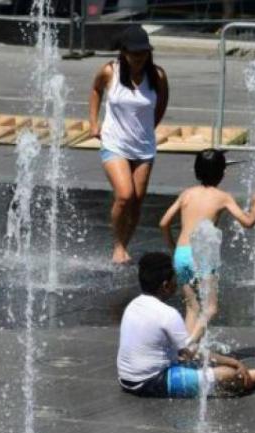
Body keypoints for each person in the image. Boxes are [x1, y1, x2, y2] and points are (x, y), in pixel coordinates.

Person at [117, 252, 255, 398]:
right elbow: (193, 354)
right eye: (174, 279)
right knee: (229, 376)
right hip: (151, 382)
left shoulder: (133, 305)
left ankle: (246, 374)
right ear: (165, 285)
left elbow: (183, 353)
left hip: (127, 379)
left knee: (202, 364)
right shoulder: (167, 314)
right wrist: (233, 362)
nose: (176, 283)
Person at [159, 149, 255, 340]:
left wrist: (172, 246)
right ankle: (190, 346)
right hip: (202, 256)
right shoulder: (222, 197)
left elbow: (163, 223)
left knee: (192, 308)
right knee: (210, 309)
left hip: (182, 254)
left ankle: (184, 348)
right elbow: (248, 222)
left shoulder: (187, 194)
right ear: (222, 173)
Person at [88, 24, 169, 264]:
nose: (139, 58)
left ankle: (126, 244)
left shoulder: (158, 75)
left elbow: (162, 102)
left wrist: (150, 126)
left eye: (143, 53)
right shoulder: (109, 72)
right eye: (134, 54)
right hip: (115, 144)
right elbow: (95, 91)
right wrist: (94, 123)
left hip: (144, 147)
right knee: (125, 195)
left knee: (138, 200)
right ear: (123, 52)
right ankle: (118, 245)